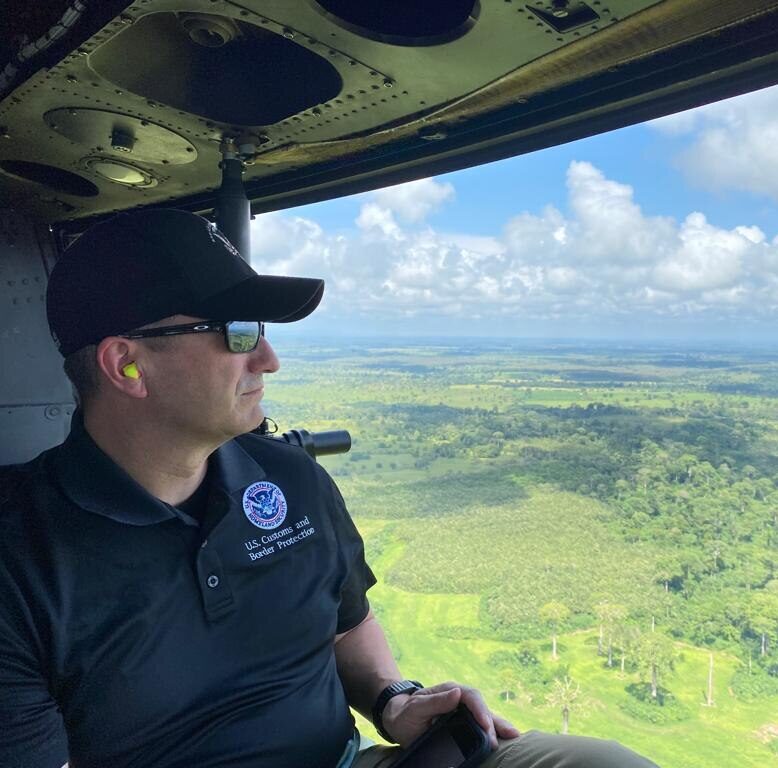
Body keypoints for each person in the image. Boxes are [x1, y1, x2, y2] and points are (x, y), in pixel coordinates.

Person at [0, 209, 659, 768]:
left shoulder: (292, 478)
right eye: (238, 332)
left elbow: (347, 626)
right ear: (127, 363)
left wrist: (391, 698)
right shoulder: (19, 554)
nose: (268, 359)